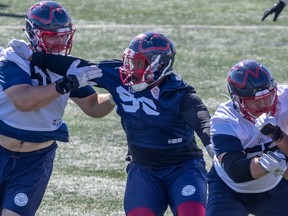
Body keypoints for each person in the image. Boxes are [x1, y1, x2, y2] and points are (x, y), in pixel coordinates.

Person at [17, 31, 213, 216]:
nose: (129, 69)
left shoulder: (180, 94)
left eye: (137, 63)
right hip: (143, 169)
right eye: (129, 61)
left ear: (158, 66)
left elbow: (203, 123)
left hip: (183, 168)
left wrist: (217, 150)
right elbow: (77, 65)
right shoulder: (119, 77)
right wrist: (33, 57)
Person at [0, 1, 114, 216]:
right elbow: (25, 101)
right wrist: (65, 85)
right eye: (52, 35)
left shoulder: (63, 66)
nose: (60, 41)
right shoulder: (12, 59)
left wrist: (114, 96)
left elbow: (92, 106)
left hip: (35, 160)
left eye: (63, 35)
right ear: (33, 34)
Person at [206, 59, 288, 216]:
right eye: (254, 101)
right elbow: (236, 171)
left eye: (267, 97)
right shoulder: (224, 119)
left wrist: (277, 135)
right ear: (237, 100)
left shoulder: (285, 99)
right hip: (229, 190)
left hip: (274, 186)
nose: (263, 105)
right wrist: (267, 163)